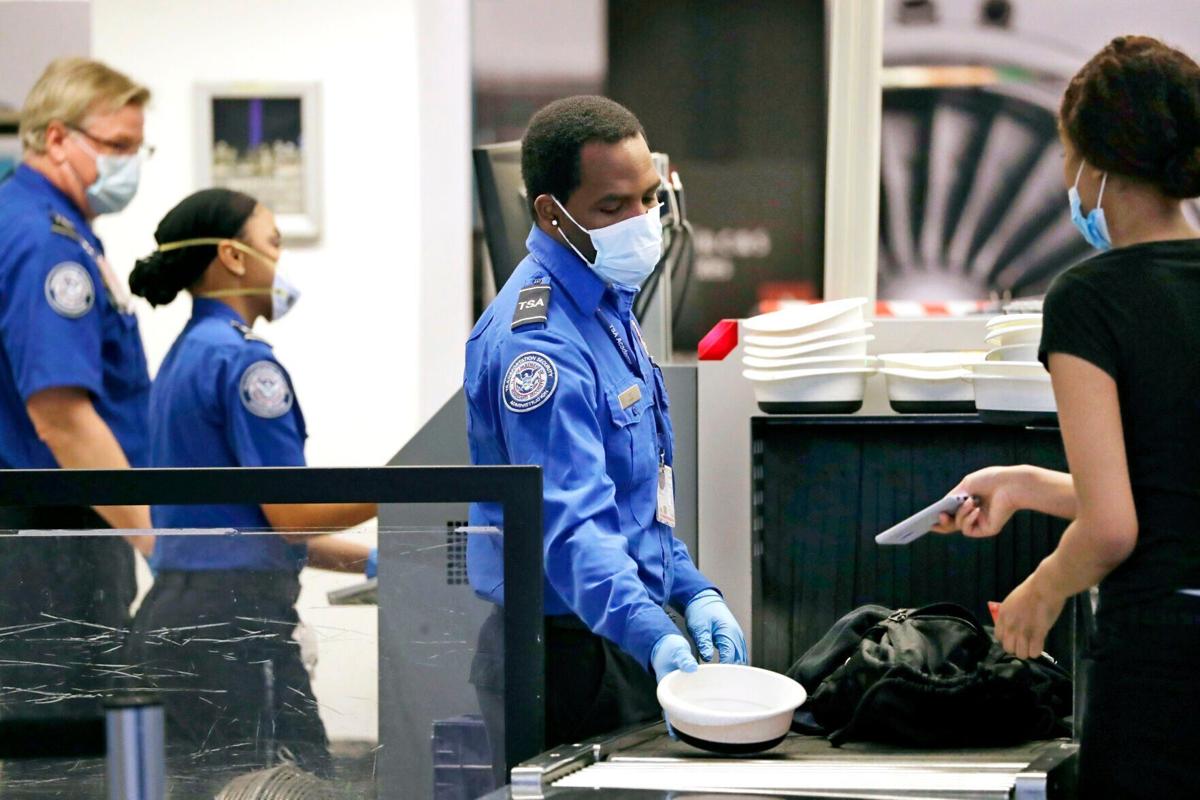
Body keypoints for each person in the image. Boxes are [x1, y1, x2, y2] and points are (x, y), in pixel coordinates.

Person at [932, 36, 1200, 798]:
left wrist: (1041, 591)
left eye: (1066, 156)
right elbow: (1170, 487)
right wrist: (1023, 484)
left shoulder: (1090, 298)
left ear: (1097, 165)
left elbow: (1114, 527)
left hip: (1162, 668)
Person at [465, 96, 747, 764]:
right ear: (550, 214)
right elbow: (574, 530)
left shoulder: (605, 303)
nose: (641, 222)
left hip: (617, 632)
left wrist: (691, 589)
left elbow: (636, 500)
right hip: (565, 661)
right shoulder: (541, 344)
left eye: (650, 198)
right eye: (612, 206)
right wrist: (656, 634)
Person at [121, 188, 377, 779]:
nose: (279, 261)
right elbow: (292, 515)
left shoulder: (185, 356)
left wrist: (369, 561)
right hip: (234, 630)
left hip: (179, 615)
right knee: (296, 787)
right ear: (234, 257)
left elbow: (247, 527)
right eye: (274, 244)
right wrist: (406, 488)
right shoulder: (245, 364)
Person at [0, 58, 153, 722]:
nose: (129, 164)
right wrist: (158, 541)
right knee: (65, 750)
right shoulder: (46, 241)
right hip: (52, 544)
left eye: (138, 149)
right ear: (57, 138)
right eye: (117, 146)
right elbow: (61, 417)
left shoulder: (46, 222)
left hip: (60, 534)